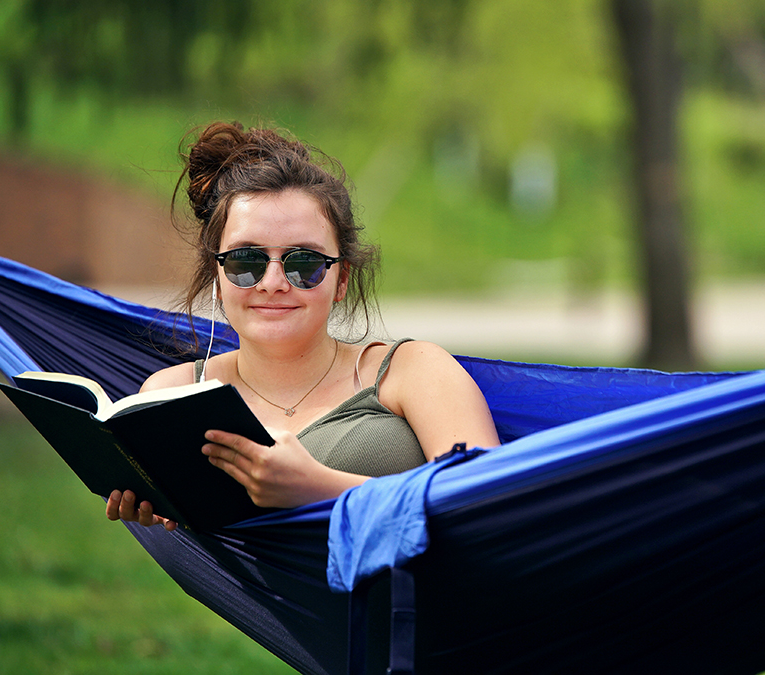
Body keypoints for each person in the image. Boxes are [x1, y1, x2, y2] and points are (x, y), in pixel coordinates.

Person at [106, 121, 500, 531]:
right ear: (217, 276)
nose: (273, 283)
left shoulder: (412, 371)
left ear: (341, 279)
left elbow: (493, 505)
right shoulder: (172, 398)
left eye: (304, 263)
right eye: (246, 262)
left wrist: (320, 489)